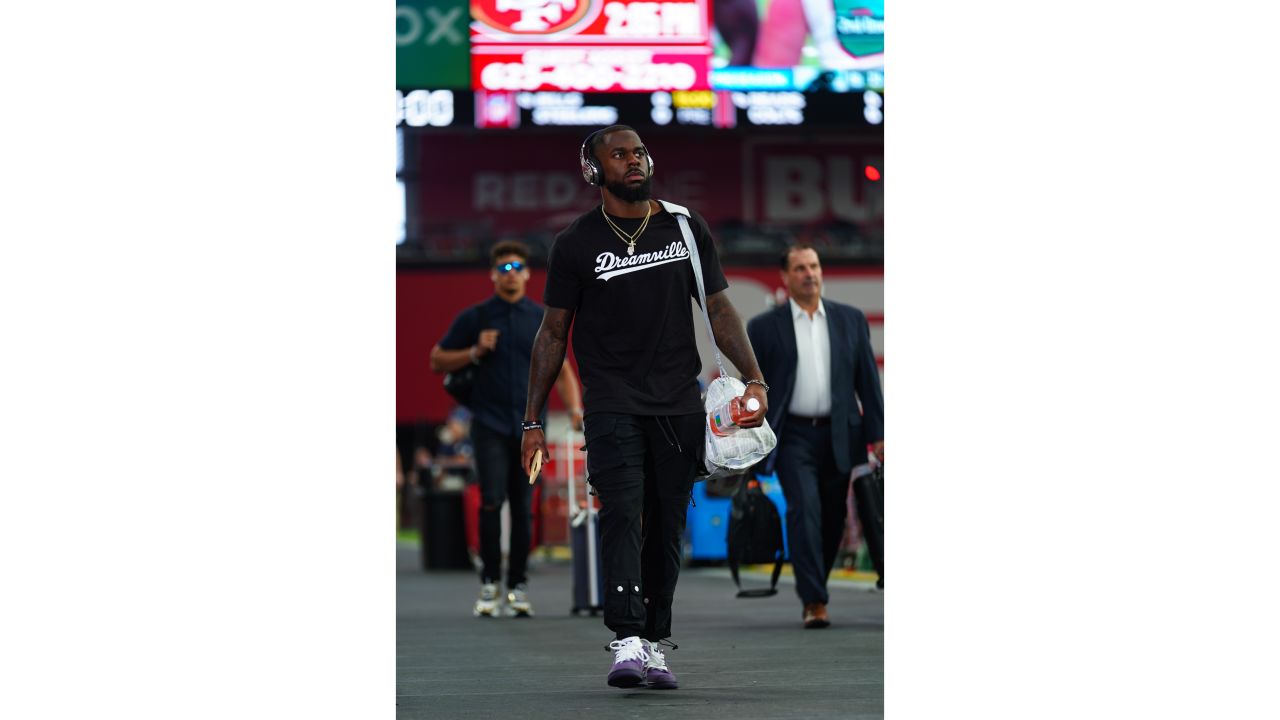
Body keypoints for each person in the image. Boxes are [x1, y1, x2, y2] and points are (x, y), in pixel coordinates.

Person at [521, 125, 769, 690]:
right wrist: (533, 420)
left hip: (678, 403)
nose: (633, 161)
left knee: (666, 524)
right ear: (593, 171)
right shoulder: (576, 243)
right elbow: (552, 334)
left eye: (638, 152)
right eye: (619, 155)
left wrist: (755, 379)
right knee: (622, 514)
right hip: (611, 403)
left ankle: (656, 642)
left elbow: (720, 310)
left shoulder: (684, 226)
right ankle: (627, 636)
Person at [430, 240, 584, 618]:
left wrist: (577, 409)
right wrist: (473, 352)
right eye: (503, 269)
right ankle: (488, 583)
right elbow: (437, 360)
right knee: (490, 501)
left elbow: (561, 369)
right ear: (493, 274)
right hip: (488, 425)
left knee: (523, 507)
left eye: (517, 268)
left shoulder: (541, 317)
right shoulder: (477, 317)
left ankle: (517, 586)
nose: (510, 275)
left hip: (531, 428)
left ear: (528, 274)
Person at [745, 244, 884, 629]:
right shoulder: (763, 327)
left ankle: (814, 585)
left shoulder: (850, 320)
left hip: (841, 435)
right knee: (804, 510)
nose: (810, 273)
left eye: (815, 266)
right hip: (793, 437)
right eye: (801, 268)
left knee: (833, 518)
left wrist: (880, 435)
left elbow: (867, 383)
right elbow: (752, 386)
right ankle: (814, 600)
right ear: (786, 278)